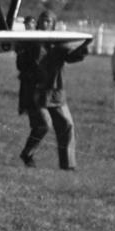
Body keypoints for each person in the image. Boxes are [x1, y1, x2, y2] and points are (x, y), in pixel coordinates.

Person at [18, 11, 89, 170]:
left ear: (53, 24)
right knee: (43, 124)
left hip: (56, 91)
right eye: (42, 21)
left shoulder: (59, 43)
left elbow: (71, 56)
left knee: (67, 125)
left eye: (49, 22)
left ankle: (68, 165)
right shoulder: (29, 42)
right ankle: (27, 153)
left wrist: (83, 48)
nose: (45, 24)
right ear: (38, 24)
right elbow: (21, 64)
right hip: (35, 91)